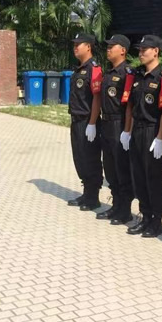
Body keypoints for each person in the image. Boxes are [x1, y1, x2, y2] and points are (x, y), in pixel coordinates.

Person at [122, 35, 162, 237]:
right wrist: (128, 131)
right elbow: (131, 106)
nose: (141, 53)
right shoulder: (138, 76)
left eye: (145, 49)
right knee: (139, 176)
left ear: (156, 51)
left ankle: (157, 221)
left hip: (153, 130)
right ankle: (145, 216)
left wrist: (160, 137)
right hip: (138, 129)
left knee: (153, 177)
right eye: (140, 49)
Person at [96, 34, 134, 225]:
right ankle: (116, 205)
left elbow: (129, 106)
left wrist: (127, 131)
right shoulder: (109, 73)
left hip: (119, 123)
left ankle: (125, 210)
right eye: (108, 46)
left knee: (121, 168)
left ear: (123, 50)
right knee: (110, 168)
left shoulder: (128, 73)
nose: (108, 49)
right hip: (106, 123)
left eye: (113, 46)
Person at [66, 33, 104, 211]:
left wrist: (92, 123)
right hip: (76, 120)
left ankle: (93, 197)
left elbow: (97, 97)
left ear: (88, 47)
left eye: (78, 45)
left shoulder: (94, 69)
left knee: (90, 159)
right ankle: (86, 193)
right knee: (80, 158)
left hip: (87, 121)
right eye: (74, 45)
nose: (75, 48)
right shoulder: (78, 69)